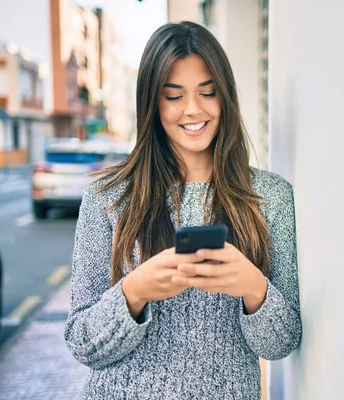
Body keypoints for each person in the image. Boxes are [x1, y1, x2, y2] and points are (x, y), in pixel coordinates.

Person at [64, 21, 301, 399]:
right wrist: (134, 292)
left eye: (208, 93)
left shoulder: (269, 197)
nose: (193, 110)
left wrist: (255, 290)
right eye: (173, 96)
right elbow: (81, 342)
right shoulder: (107, 197)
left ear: (225, 96)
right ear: (152, 103)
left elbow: (282, 344)